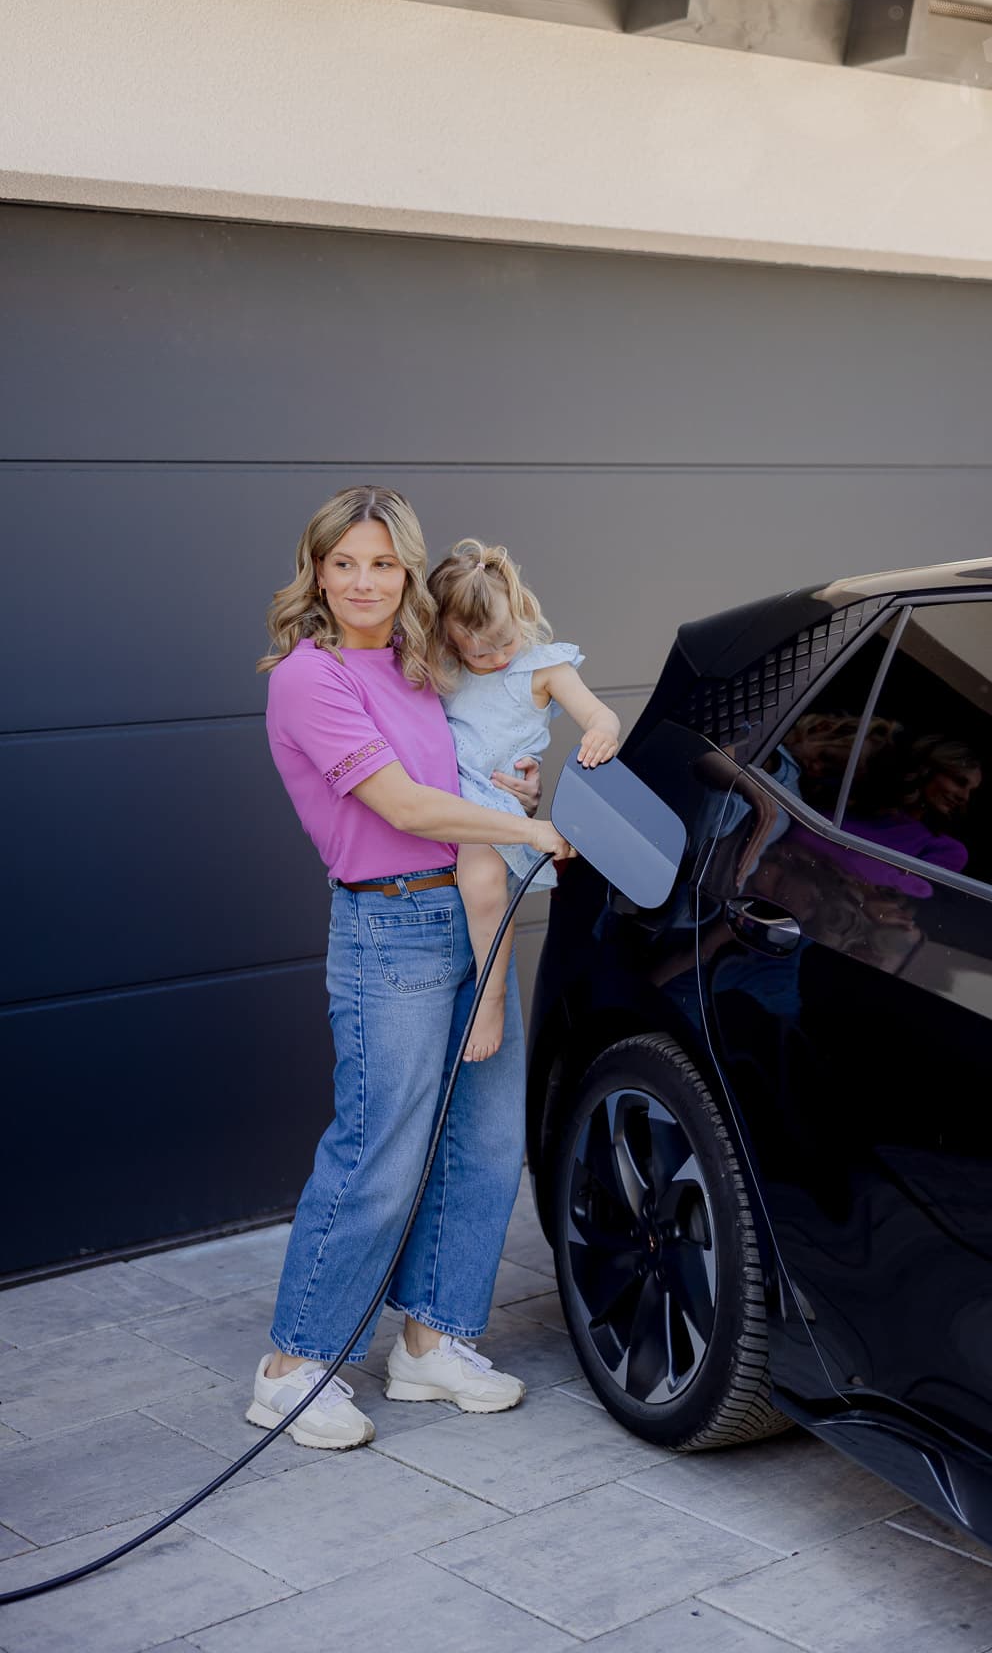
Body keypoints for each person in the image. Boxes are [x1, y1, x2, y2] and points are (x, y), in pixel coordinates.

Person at [247, 487, 573, 1450]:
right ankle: (293, 1368)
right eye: (343, 563)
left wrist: (518, 788)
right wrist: (530, 830)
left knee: (483, 1142)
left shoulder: (421, 663)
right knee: (379, 1151)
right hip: (390, 927)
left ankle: (430, 1344)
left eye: (382, 564)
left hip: (477, 911)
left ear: (406, 571)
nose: (363, 582)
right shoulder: (308, 679)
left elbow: (475, 767)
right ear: (316, 573)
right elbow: (403, 806)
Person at [427, 540, 620, 1065]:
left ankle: (490, 1000)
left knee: (482, 882)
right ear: (450, 639)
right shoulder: (446, 668)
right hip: (451, 789)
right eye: (481, 653)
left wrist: (601, 733)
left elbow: (600, 714)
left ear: (522, 609)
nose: (498, 658)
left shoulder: (543, 667)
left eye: (506, 641)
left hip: (495, 799)